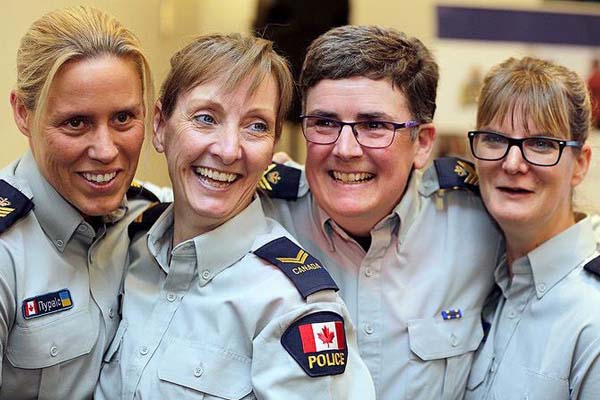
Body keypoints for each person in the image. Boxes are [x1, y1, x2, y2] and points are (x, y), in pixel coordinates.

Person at [95, 33, 375, 400]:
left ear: (273, 147)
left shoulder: (290, 305)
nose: (229, 150)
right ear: (160, 126)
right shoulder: (128, 244)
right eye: (206, 118)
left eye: (256, 126)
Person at [261, 25, 503, 399]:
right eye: (324, 123)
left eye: (373, 126)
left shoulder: (480, 225)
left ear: (422, 143)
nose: (344, 148)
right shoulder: (260, 217)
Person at [0, 6, 156, 400]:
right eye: (75, 123)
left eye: (123, 118)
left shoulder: (151, 214)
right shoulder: (7, 252)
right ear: (23, 113)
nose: (106, 150)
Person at [464, 57, 600, 399]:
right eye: (495, 139)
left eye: (541, 144)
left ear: (580, 164)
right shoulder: (481, 286)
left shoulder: (591, 314)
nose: (512, 164)